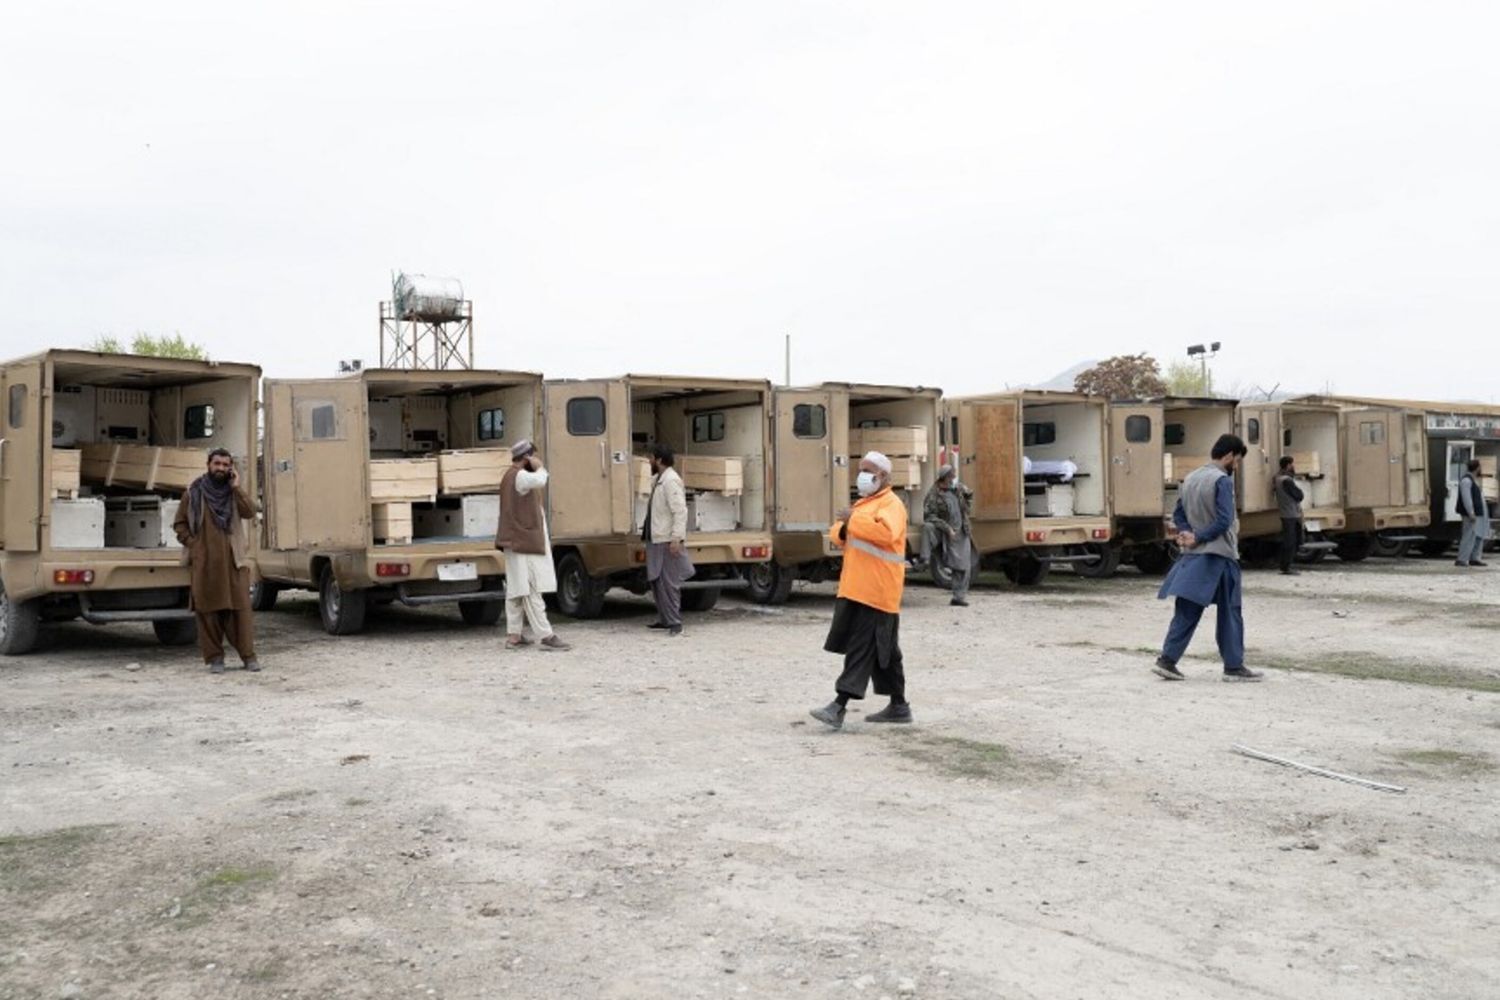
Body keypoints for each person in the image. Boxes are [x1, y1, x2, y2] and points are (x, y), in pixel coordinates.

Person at [810, 452, 911, 729]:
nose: (862, 475)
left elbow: (884, 534)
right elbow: (838, 532)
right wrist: (846, 525)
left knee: (862, 646)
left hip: (877, 590)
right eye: (861, 470)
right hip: (859, 587)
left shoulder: (892, 505)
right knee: (886, 650)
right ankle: (899, 706)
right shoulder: (866, 503)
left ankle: (838, 706)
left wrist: (852, 519)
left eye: (868, 471)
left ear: (884, 477)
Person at [1152, 434, 1263, 683]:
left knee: (1187, 610)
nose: (1236, 466)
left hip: (1192, 557)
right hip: (1220, 555)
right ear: (1228, 456)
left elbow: (1178, 513)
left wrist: (1186, 533)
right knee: (1230, 611)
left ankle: (1167, 661)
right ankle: (1234, 667)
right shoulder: (1221, 481)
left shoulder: (1190, 478)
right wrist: (1199, 536)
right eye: (1236, 461)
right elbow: (1224, 520)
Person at [173, 449, 258, 674]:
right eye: (217, 464)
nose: (221, 468)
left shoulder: (232, 493)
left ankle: (248, 657)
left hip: (234, 561)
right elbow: (179, 524)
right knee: (208, 611)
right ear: (208, 464)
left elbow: (250, 512)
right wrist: (194, 545)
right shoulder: (193, 493)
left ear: (230, 468)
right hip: (205, 563)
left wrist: (237, 487)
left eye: (225, 465)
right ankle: (215, 659)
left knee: (240, 611)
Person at [495, 440, 570, 651]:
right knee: (530, 588)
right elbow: (541, 480)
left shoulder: (511, 475)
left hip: (516, 540)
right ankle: (546, 635)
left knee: (516, 590)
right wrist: (539, 465)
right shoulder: (521, 476)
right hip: (523, 541)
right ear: (527, 457)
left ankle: (514, 635)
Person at [642, 444, 693, 636]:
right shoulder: (659, 480)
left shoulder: (671, 481)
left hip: (665, 539)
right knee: (656, 581)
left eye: (651, 458)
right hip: (656, 537)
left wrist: (676, 538)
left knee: (669, 582)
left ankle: (675, 622)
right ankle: (664, 619)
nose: (649, 461)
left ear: (660, 460)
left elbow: (680, 511)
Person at [922, 465, 976, 606]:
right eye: (951, 476)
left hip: (962, 530)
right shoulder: (934, 494)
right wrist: (947, 529)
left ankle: (959, 597)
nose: (953, 479)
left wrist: (967, 504)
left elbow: (969, 495)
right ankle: (925, 559)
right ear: (945, 477)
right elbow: (929, 516)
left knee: (963, 565)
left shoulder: (957, 489)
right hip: (945, 532)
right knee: (949, 560)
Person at [1456, 459, 1491, 568]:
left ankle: (1474, 557)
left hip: (1479, 512)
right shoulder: (1466, 480)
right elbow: (1467, 498)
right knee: (1468, 535)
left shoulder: (1474, 480)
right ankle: (1462, 559)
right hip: (1471, 514)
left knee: (1478, 535)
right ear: (1477, 468)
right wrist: (1471, 512)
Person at [1273, 455, 1305, 575]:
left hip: (1286, 513)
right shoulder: (1287, 480)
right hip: (1291, 514)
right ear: (1288, 465)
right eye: (1292, 464)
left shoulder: (1277, 478)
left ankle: (1286, 564)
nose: (1293, 466)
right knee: (1291, 541)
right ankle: (1286, 566)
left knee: (1291, 540)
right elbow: (1299, 495)